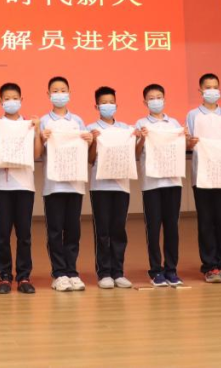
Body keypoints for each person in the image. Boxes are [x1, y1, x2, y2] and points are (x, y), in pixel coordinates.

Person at [39, 76, 94, 292]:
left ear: (69, 93)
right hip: (53, 185)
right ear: (48, 95)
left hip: (75, 183)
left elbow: (86, 150)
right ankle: (59, 273)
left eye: (63, 90)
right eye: (55, 91)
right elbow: (38, 151)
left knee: (73, 230)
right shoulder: (44, 121)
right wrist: (41, 138)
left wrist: (89, 141)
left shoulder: (77, 121)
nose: (59, 94)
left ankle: (72, 271)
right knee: (54, 230)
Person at [0, 82, 41, 294]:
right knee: (3, 233)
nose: (11, 102)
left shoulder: (28, 125)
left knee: (24, 234)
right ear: (0, 101)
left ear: (21, 100)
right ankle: (4, 277)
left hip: (25, 185)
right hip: (2, 186)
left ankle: (24, 276)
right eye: (7, 99)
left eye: (15, 98)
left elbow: (36, 154)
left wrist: (37, 131)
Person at [185, 73, 221, 283]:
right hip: (202, 176)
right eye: (208, 87)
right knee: (206, 222)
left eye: (215, 86)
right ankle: (209, 267)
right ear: (200, 90)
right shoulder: (193, 115)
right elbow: (188, 143)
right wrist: (189, 142)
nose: (212, 90)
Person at [136, 84, 185, 287]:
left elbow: (180, 149)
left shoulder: (173, 123)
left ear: (164, 99)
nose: (155, 101)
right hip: (151, 184)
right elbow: (136, 153)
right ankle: (156, 270)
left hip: (173, 181)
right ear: (145, 102)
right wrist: (142, 138)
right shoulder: (141, 124)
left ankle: (171, 269)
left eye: (159, 97)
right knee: (154, 227)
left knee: (172, 227)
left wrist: (184, 137)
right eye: (151, 98)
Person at [87, 86, 134, 289]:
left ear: (116, 104)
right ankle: (104, 272)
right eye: (104, 103)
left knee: (118, 229)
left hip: (121, 185)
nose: (108, 106)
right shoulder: (91, 128)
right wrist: (94, 141)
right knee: (103, 230)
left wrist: (138, 137)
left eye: (111, 102)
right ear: (96, 106)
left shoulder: (125, 129)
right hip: (100, 186)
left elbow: (133, 154)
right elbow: (90, 159)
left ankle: (118, 272)